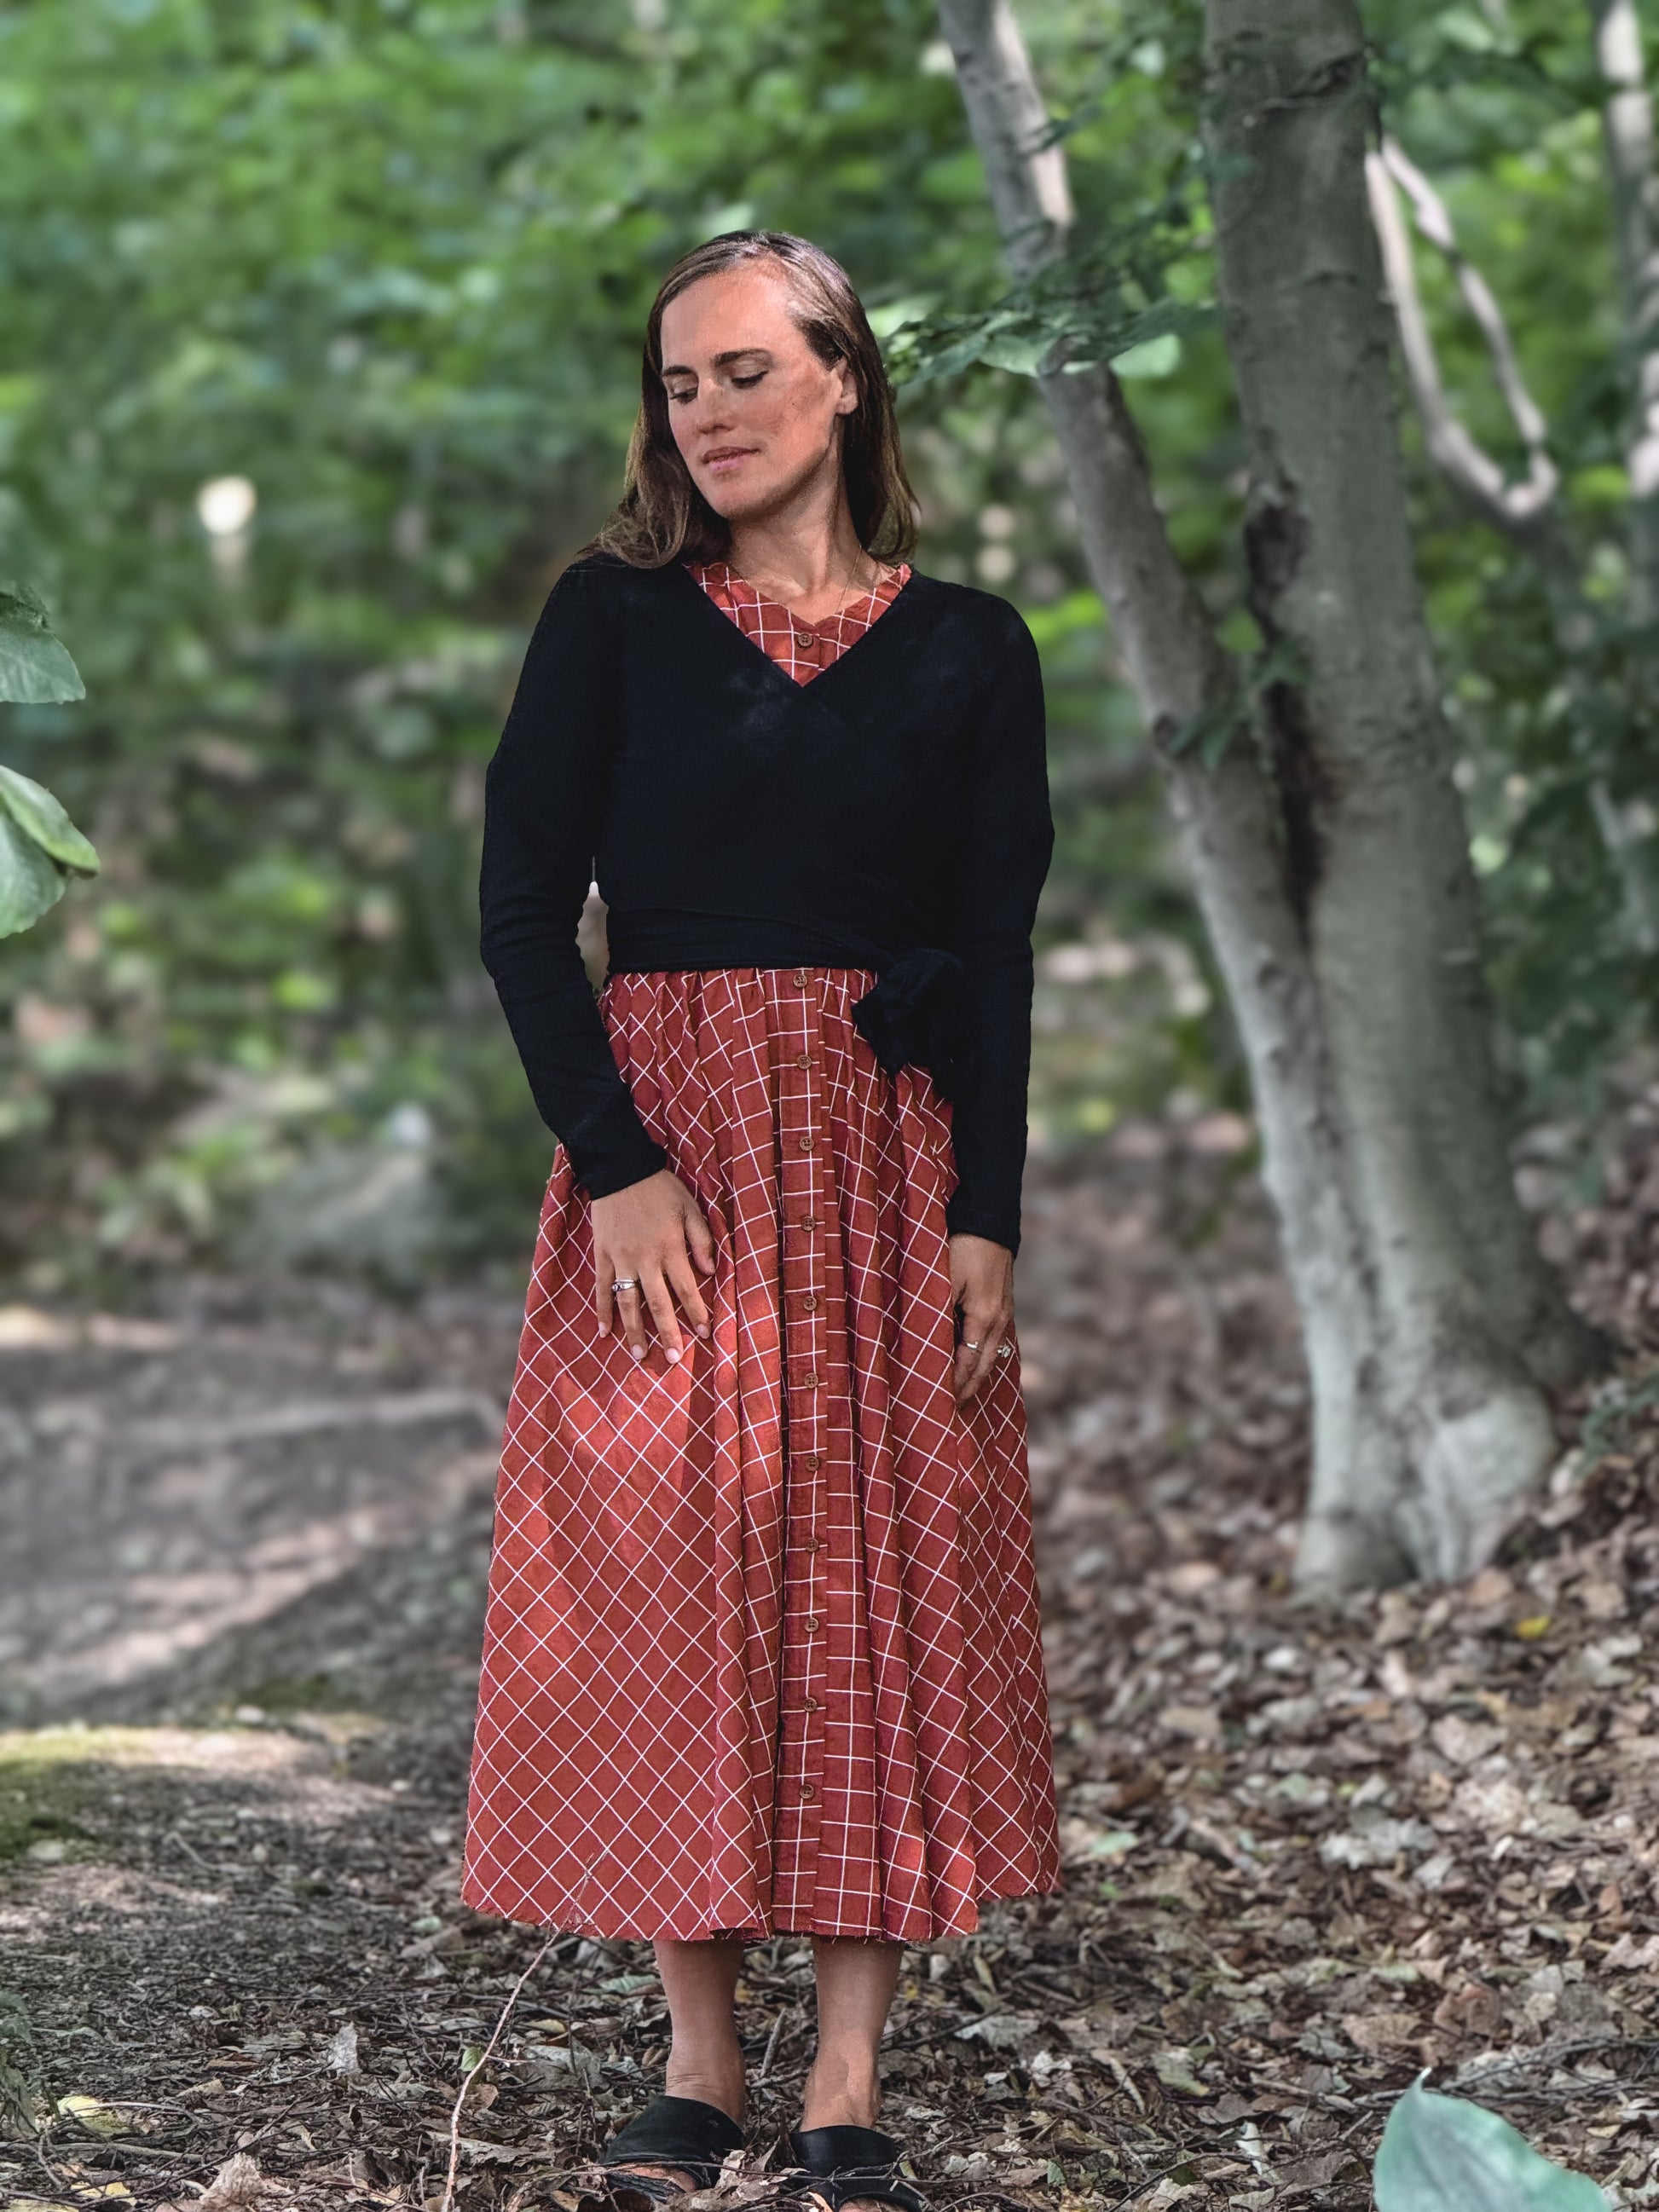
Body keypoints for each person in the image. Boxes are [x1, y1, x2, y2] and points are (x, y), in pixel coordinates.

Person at [461, 228, 1061, 2212]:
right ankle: (698, 2054)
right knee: (668, 1564)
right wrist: (612, 1157)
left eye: (743, 370)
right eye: (678, 382)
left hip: (884, 1152)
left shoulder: (970, 647)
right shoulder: (613, 619)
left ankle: (849, 2072)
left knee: (869, 1572)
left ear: (844, 378)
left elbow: (994, 949)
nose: (705, 410)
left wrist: (987, 1212)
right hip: (672, 1157)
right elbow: (520, 910)